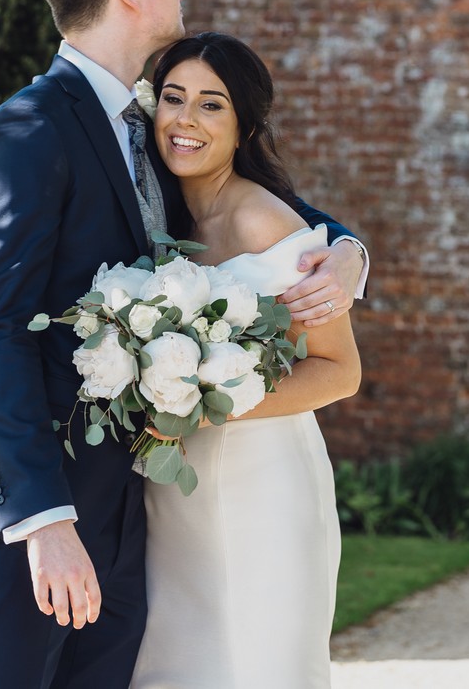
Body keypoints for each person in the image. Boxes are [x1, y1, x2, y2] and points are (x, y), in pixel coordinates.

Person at [0, 0, 367, 689]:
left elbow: (261, 206)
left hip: (134, 509)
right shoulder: (28, 129)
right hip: (33, 512)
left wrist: (348, 251)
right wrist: (44, 520)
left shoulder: (148, 130)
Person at [129, 33, 361, 689]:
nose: (185, 121)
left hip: (267, 490)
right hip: (176, 494)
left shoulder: (269, 225)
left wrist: (204, 404)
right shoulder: (163, 216)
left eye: (211, 106)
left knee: (264, 665)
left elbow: (340, 369)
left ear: (244, 126)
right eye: (174, 99)